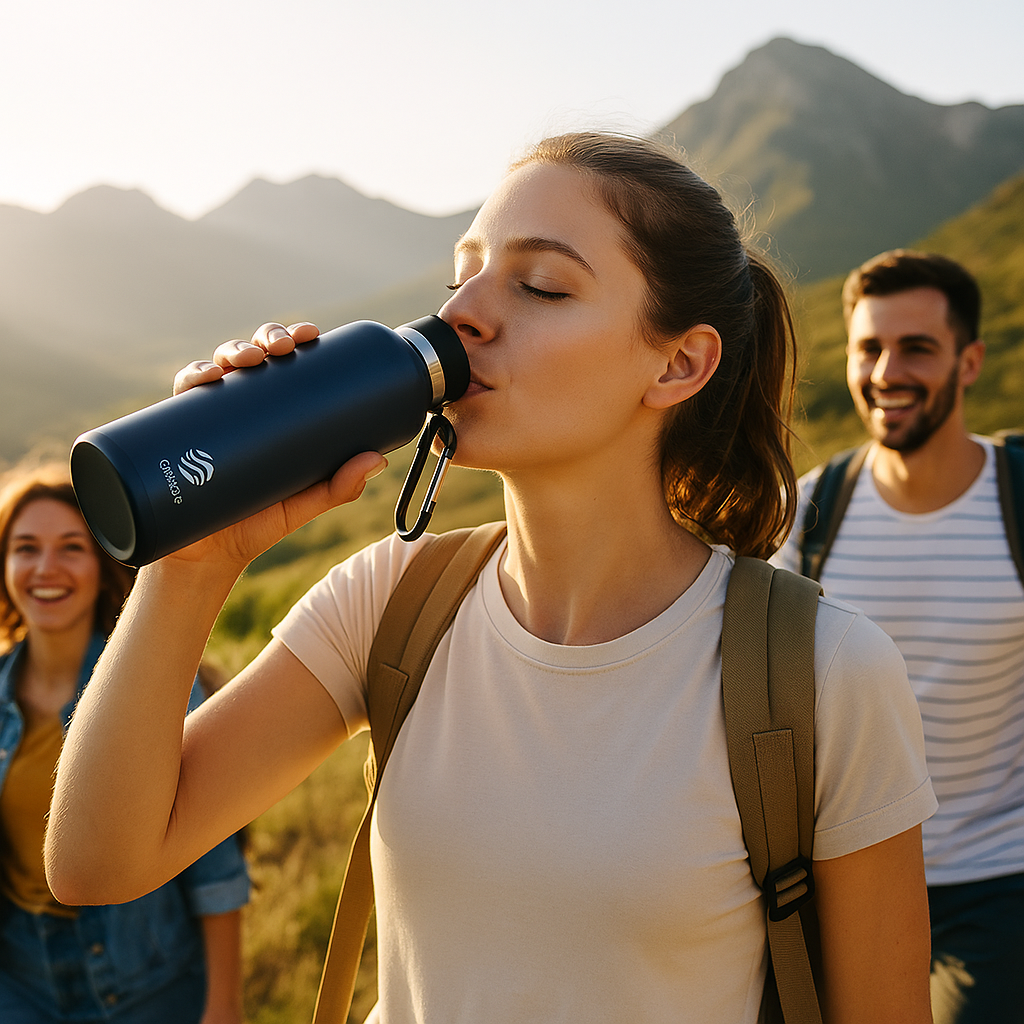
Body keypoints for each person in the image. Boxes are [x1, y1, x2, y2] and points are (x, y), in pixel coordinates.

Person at [46, 133, 936, 1024]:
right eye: (460, 278)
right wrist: (192, 565)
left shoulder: (822, 672)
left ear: (678, 364)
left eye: (541, 285)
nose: (463, 313)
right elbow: (99, 863)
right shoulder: (388, 602)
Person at [772, 249, 1024, 1023]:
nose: (887, 371)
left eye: (917, 348)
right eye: (869, 348)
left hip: (997, 881)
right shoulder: (810, 512)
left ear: (970, 361)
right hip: (837, 880)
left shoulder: (1017, 498)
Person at [0, 463, 250, 1023]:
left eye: (71, 548)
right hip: (21, 981)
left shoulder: (150, 685)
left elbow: (214, 868)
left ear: (100, 564)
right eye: (25, 548)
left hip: (148, 986)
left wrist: (224, 1007)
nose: (46, 568)